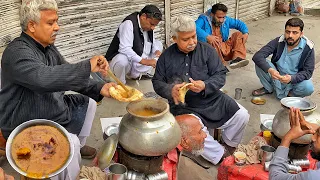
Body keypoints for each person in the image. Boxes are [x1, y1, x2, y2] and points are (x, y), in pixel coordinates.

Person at [0, 0, 116, 179]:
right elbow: (43, 78)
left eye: (57, 21)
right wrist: (86, 66)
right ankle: (71, 155)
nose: (57, 27)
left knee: (90, 102)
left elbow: (66, 72)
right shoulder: (16, 53)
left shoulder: (48, 48)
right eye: (50, 23)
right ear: (31, 26)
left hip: (48, 103)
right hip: (26, 118)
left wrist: (101, 88)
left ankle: (79, 143)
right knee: (69, 147)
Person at [152, 15, 249, 165]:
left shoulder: (207, 50)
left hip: (212, 99)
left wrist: (205, 85)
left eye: (194, 36)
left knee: (241, 115)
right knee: (187, 130)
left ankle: (228, 146)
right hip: (184, 106)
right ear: (174, 38)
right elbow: (157, 81)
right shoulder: (166, 57)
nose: (192, 42)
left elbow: (220, 74)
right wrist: (170, 90)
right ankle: (220, 155)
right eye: (186, 39)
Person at [252, 18, 314, 99]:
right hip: (276, 77)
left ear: (301, 34)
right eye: (288, 32)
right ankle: (268, 88)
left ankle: (289, 94)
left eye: (295, 32)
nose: (290, 35)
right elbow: (258, 56)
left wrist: (292, 78)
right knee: (260, 63)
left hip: (293, 81)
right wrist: (271, 70)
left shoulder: (308, 47)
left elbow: (308, 72)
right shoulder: (279, 41)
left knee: (308, 87)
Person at [105, 5, 163, 84]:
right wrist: (144, 61)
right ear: (143, 17)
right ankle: (121, 83)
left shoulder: (148, 27)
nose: (153, 28)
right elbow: (124, 49)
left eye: (155, 25)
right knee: (121, 60)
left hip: (138, 61)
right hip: (128, 63)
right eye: (152, 24)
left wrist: (156, 51)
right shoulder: (128, 24)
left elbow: (152, 42)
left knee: (159, 45)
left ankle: (142, 73)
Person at [269, 107, 320, 180]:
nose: (312, 138)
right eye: (317, 132)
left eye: (318, 135)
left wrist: (287, 138)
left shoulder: (312, 177)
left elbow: (275, 176)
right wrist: (306, 124)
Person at [195, 3, 249, 69]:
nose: (221, 20)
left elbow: (239, 23)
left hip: (223, 47)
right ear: (212, 14)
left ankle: (237, 59)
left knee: (239, 35)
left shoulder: (226, 20)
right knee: (214, 41)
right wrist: (207, 36)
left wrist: (246, 33)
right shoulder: (203, 19)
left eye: (223, 17)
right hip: (210, 51)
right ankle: (220, 66)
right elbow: (194, 27)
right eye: (219, 17)